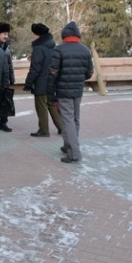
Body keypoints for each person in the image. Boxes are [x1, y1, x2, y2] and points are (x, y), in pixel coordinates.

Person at [48, 21, 94, 163]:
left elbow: (53, 72)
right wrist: (79, 79)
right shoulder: (85, 50)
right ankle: (68, 145)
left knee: (67, 119)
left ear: (64, 35)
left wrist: (51, 90)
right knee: (75, 119)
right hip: (78, 90)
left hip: (63, 90)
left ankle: (74, 152)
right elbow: (89, 73)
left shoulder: (59, 50)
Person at [24, 23, 63, 137]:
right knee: (51, 104)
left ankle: (43, 130)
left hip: (41, 82)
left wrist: (28, 82)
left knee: (41, 107)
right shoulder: (53, 46)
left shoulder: (38, 48)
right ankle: (62, 127)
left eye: (33, 34)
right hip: (52, 81)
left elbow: (35, 68)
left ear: (38, 35)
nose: (32, 36)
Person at [0, 22, 15, 132]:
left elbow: (10, 63)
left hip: (5, 80)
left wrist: (12, 77)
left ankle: (3, 122)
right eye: (4, 34)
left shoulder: (7, 48)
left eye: (7, 34)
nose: (6, 36)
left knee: (4, 103)